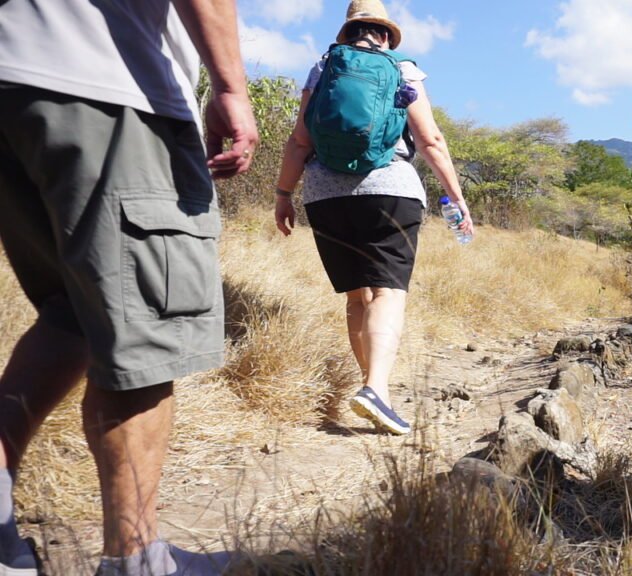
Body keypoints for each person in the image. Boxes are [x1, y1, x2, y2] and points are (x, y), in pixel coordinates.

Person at [0, 1, 258, 575]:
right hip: (107, 83)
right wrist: (230, 87)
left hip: (13, 82)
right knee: (141, 337)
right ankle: (137, 561)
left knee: (72, 316)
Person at [274, 0, 473, 436]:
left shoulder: (323, 67)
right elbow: (431, 140)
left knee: (356, 296)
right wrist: (456, 197)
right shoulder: (403, 68)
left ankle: (373, 390)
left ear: (346, 33)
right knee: (389, 292)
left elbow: (299, 141)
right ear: (385, 34)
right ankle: (376, 389)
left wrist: (283, 194)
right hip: (390, 192)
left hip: (325, 198)